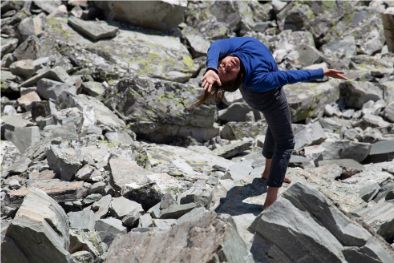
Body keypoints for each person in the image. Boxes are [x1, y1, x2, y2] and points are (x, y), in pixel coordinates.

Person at [193, 37, 347, 209]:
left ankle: (267, 172)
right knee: (286, 142)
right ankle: (270, 199)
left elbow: (216, 45)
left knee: (276, 126)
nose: (227, 65)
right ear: (238, 78)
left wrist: (212, 68)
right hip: (267, 98)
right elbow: (289, 76)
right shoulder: (259, 79)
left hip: (255, 94)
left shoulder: (239, 50)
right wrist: (322, 73)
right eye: (227, 72)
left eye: (223, 64)